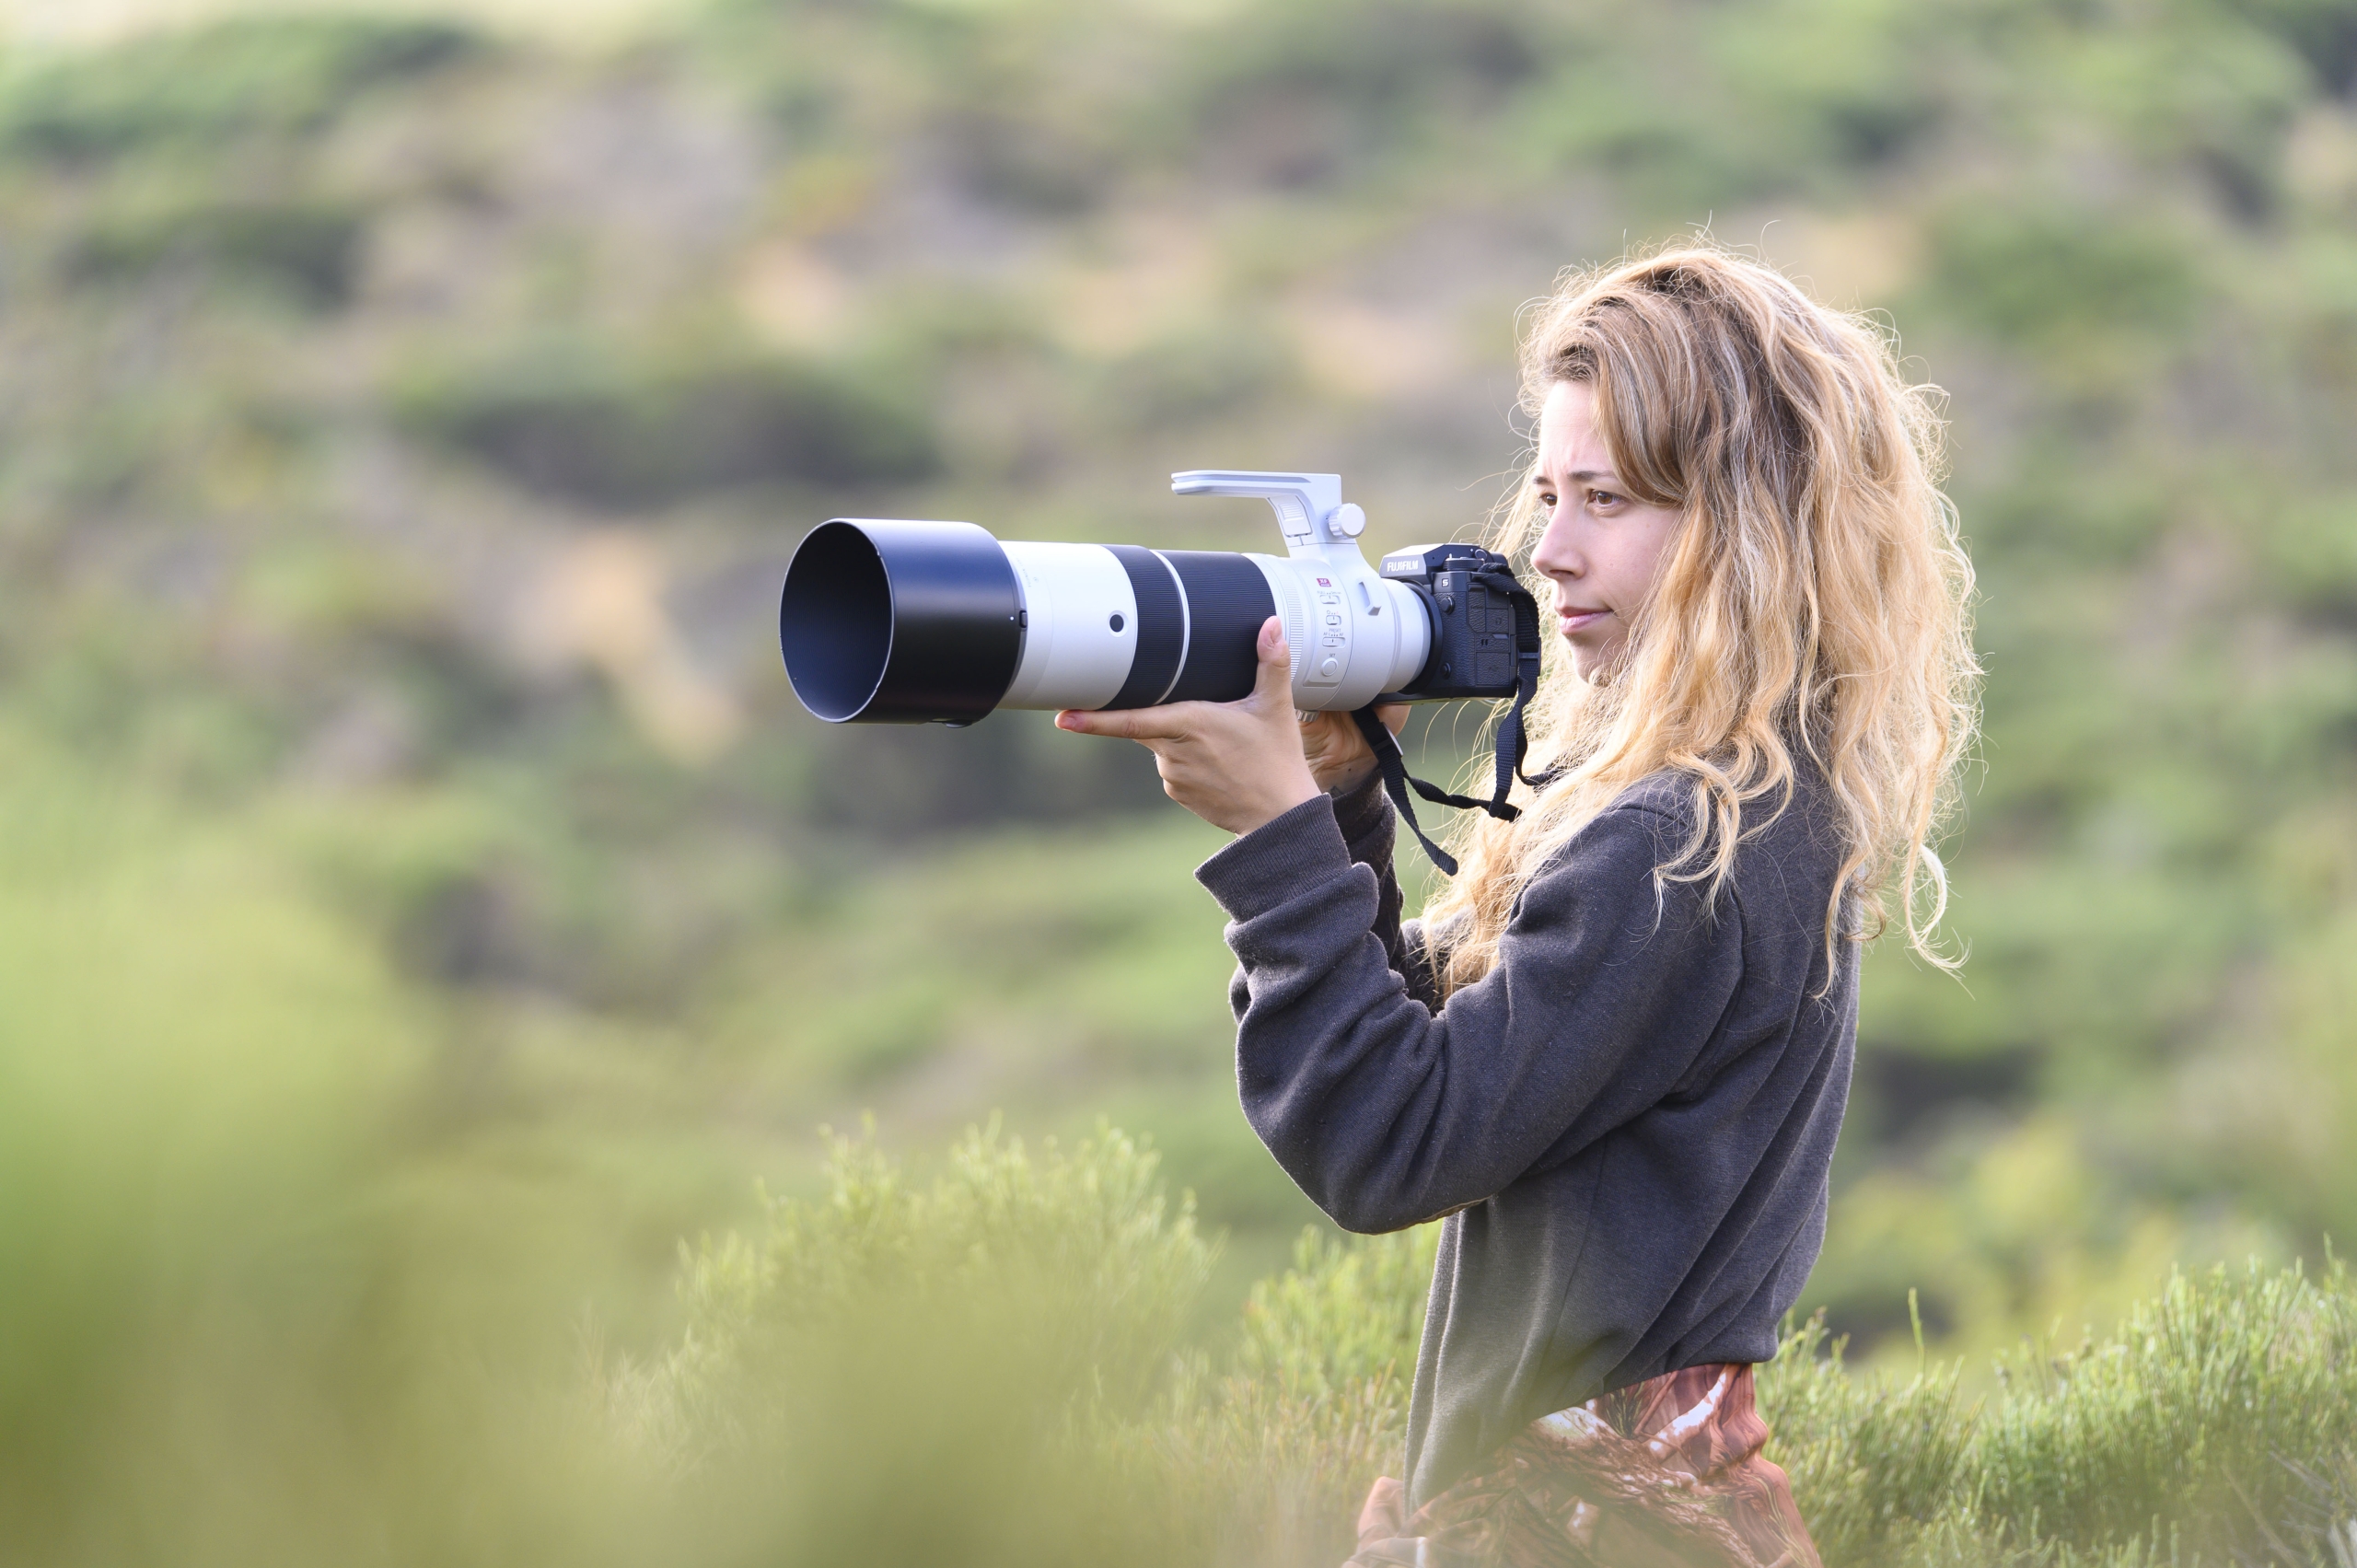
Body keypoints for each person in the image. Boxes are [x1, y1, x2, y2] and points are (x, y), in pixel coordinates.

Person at [1055, 240, 1979, 1568]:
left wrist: (1275, 843)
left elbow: (1389, 1143)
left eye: (1605, 499)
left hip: (1593, 1533)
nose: (1549, 550)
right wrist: (1343, 807)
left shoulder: (1677, 847)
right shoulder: (1751, 814)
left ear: (1748, 527)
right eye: (1549, 493)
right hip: (1629, 1517)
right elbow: (1446, 1064)